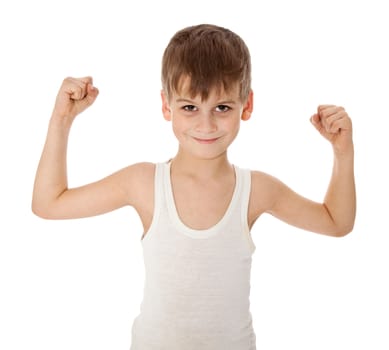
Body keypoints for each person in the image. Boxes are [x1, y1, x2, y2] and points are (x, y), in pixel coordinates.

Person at [32, 24, 356, 350]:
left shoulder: (256, 190)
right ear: (166, 105)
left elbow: (335, 221)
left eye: (222, 107)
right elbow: (49, 203)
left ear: (247, 105)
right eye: (190, 107)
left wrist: (342, 152)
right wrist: (62, 120)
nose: (206, 124)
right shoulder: (143, 183)